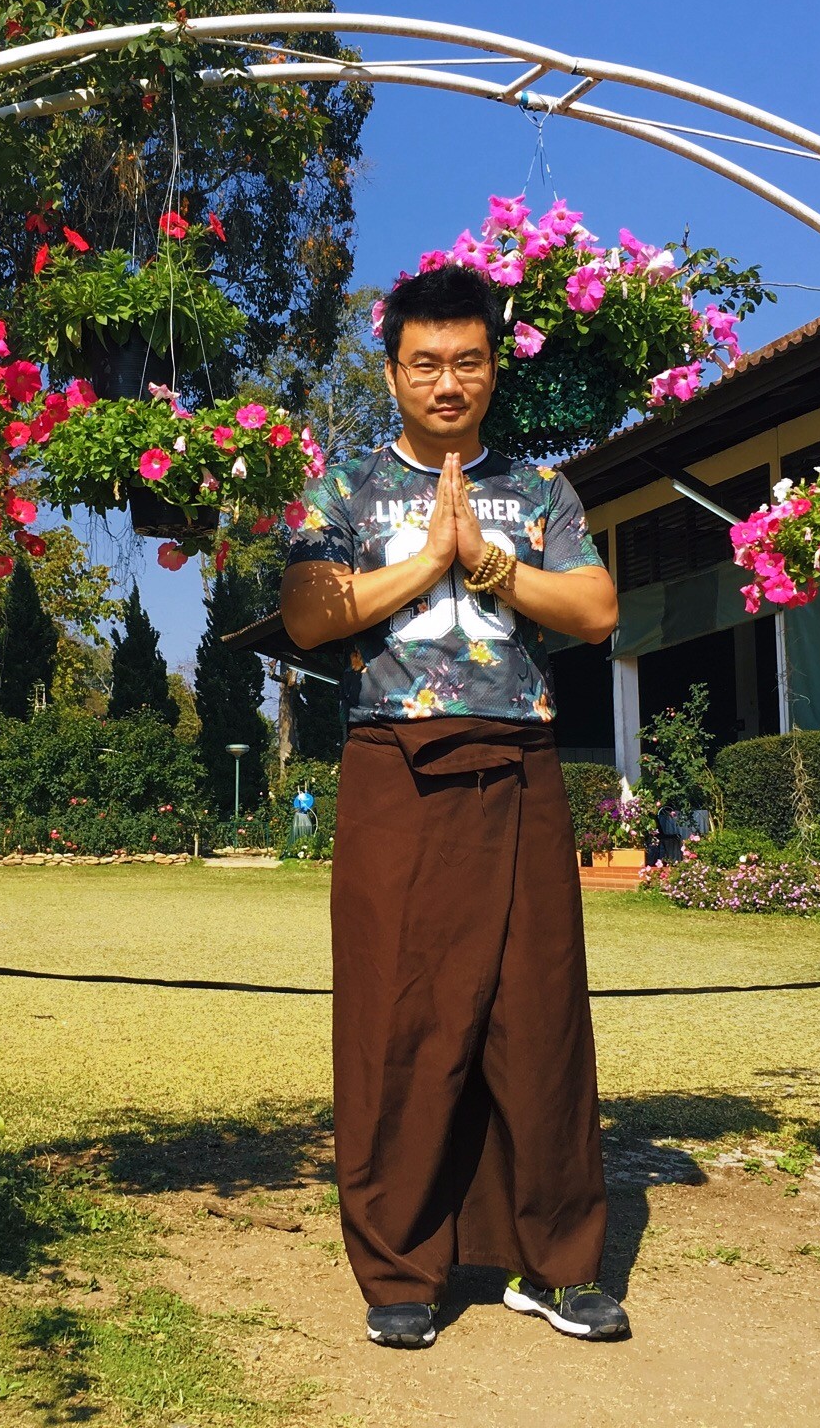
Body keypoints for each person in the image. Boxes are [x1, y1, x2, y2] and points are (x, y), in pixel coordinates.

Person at [279, 264, 626, 1349]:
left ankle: (553, 1263)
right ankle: (400, 1269)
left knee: (538, 1017)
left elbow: (596, 609)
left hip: (519, 764)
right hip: (393, 766)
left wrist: (487, 562)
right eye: (423, 363)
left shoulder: (541, 489)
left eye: (465, 362)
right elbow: (306, 615)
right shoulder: (337, 488)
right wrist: (426, 556)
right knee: (398, 1013)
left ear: (491, 370)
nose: (445, 382)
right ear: (390, 371)